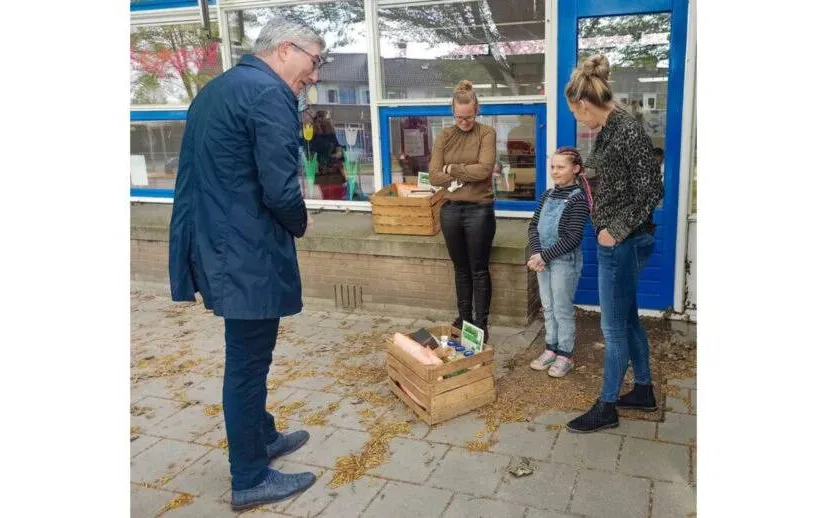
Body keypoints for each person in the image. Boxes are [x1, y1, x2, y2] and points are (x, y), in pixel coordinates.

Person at [167, 15, 325, 510]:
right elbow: (280, 186)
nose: (315, 75)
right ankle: (250, 477)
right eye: (314, 61)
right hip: (246, 254)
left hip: (216, 244)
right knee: (247, 365)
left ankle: (264, 436)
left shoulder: (218, 89)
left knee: (250, 357)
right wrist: (302, 221)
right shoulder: (269, 94)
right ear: (285, 50)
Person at [562, 55, 664, 433]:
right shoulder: (609, 130)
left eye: (575, 114)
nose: (577, 120)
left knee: (613, 327)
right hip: (617, 241)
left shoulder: (627, 130)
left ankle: (606, 406)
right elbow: (619, 180)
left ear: (584, 104)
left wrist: (615, 229)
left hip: (623, 243)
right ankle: (642, 390)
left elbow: (653, 189)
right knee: (627, 318)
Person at [429, 80, 496, 341]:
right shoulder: (444, 136)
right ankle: (464, 316)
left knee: (479, 268)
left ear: (476, 110)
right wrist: (465, 170)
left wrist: (452, 169)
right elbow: (434, 177)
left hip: (479, 209)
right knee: (460, 268)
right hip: (451, 210)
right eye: (459, 117)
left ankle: (480, 323)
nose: (464, 122)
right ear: (452, 112)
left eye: (469, 117)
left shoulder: (486, 133)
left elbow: (485, 170)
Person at [527, 147, 592, 377]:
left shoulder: (579, 200)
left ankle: (565, 354)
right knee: (548, 306)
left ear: (575, 169)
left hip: (564, 261)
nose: (554, 171)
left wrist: (543, 256)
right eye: (552, 166)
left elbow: (572, 238)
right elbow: (534, 226)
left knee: (562, 308)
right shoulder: (547, 195)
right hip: (542, 261)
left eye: (560, 167)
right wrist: (537, 254)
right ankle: (551, 348)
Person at [309, 110, 346, 200]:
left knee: (338, 195)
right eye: (328, 118)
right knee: (329, 195)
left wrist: (340, 151)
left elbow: (337, 146)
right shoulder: (316, 136)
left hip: (334, 170)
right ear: (322, 120)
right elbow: (317, 152)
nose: (330, 121)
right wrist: (333, 155)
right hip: (324, 171)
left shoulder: (331, 134)